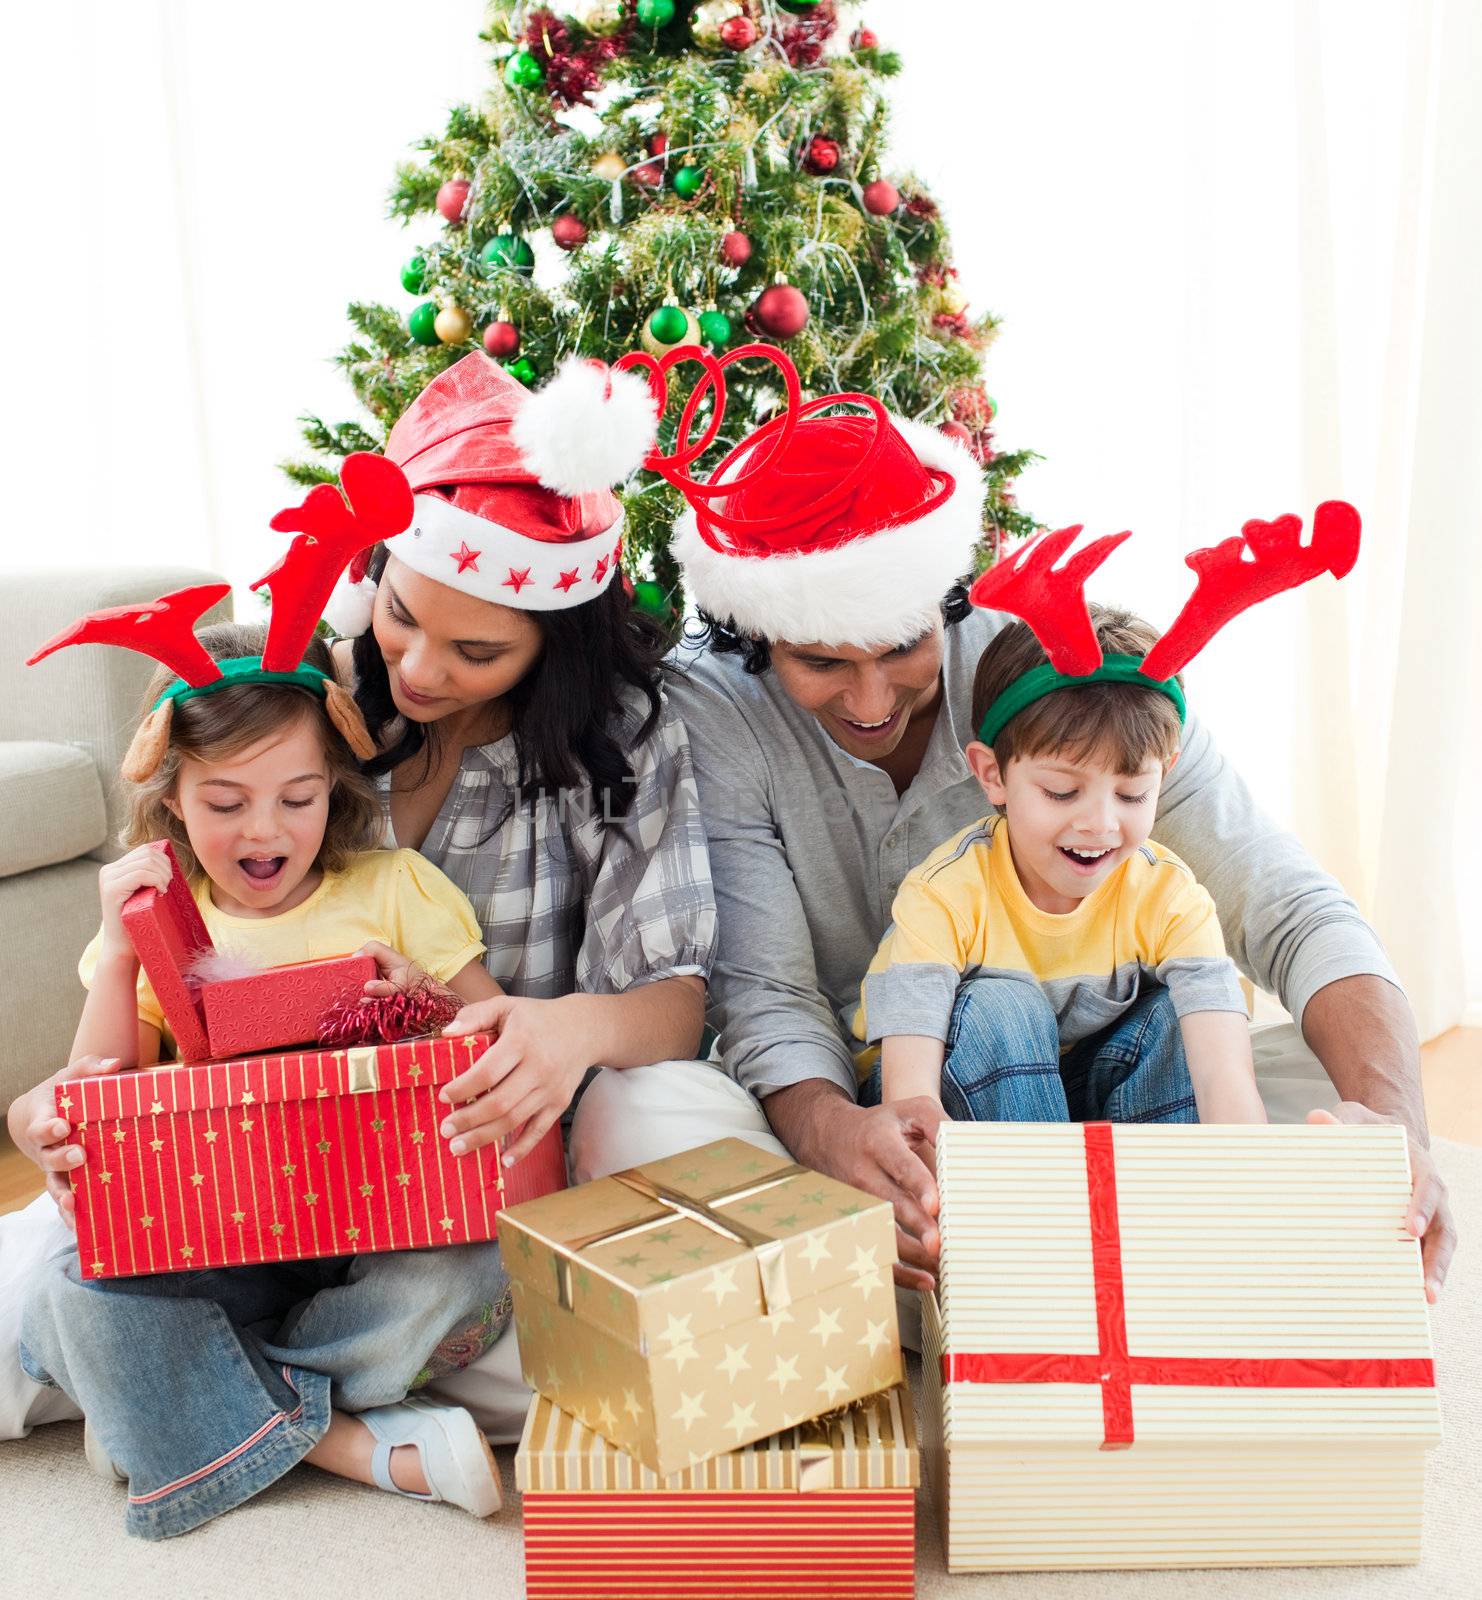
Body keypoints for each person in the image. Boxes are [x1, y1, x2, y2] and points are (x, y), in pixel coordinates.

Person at [571, 344, 1454, 1308]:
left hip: (1114, 1076)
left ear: (948, 602)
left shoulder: (1065, 665)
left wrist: (1394, 1127)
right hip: (893, 1102)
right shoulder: (718, 713)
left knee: (1299, 1102)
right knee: (640, 1116)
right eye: (821, 661)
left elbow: (1288, 907)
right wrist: (839, 1140)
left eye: (904, 648)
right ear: (757, 634)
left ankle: (1059, 1285)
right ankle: (995, 1278)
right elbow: (770, 996)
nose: (871, 700)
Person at [3, 352, 717, 1449]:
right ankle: (314, 1408)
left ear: (554, 642)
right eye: (400, 615)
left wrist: (553, 1028)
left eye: (477, 650)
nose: (420, 668)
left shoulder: (619, 738)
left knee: (511, 1296)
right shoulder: (306, 695)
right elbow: (125, 1039)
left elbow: (674, 1004)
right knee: (54, 1282)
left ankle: (218, 1396)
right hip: (231, 1175)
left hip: (442, 1156)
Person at [15, 601, 515, 1537]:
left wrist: (424, 1002)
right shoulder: (162, 923)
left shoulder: (393, 890)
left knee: (472, 1265)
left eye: (298, 797)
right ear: (171, 799)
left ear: (336, 787)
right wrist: (121, 952)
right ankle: (351, 1444)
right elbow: (95, 1088)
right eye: (224, 803)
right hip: (218, 1239)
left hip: (376, 1229)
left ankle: (171, 1406)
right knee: (71, 1286)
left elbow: (489, 1034)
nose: (265, 831)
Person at [857, 598, 1267, 1128]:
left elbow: (1224, 1075)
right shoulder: (945, 892)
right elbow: (909, 1096)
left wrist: (1251, 1157)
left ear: (1164, 774)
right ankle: (1037, 1197)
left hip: (1072, 1082)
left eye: (1133, 794)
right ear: (992, 775)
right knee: (1005, 1005)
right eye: (1061, 791)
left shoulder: (1168, 896)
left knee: (1176, 1016)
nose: (1100, 824)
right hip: (929, 1088)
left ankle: (1171, 1195)